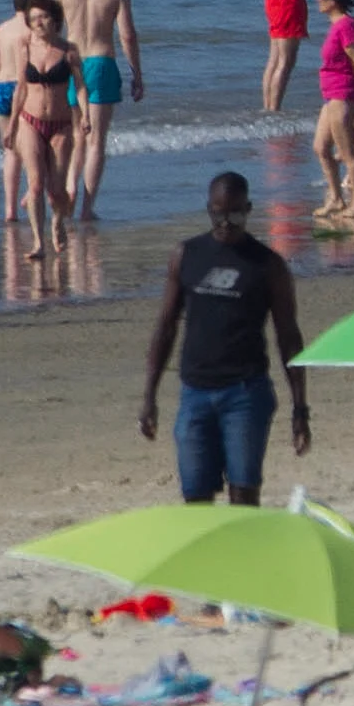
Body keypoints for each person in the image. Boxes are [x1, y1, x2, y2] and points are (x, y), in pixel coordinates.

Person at [141, 171, 307, 502]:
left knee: (244, 494)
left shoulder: (268, 265)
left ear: (248, 209)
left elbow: (288, 336)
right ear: (208, 210)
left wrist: (300, 407)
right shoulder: (186, 255)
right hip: (195, 393)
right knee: (196, 498)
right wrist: (150, 395)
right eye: (218, 213)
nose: (226, 222)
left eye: (234, 214)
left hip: (246, 394)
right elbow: (166, 326)